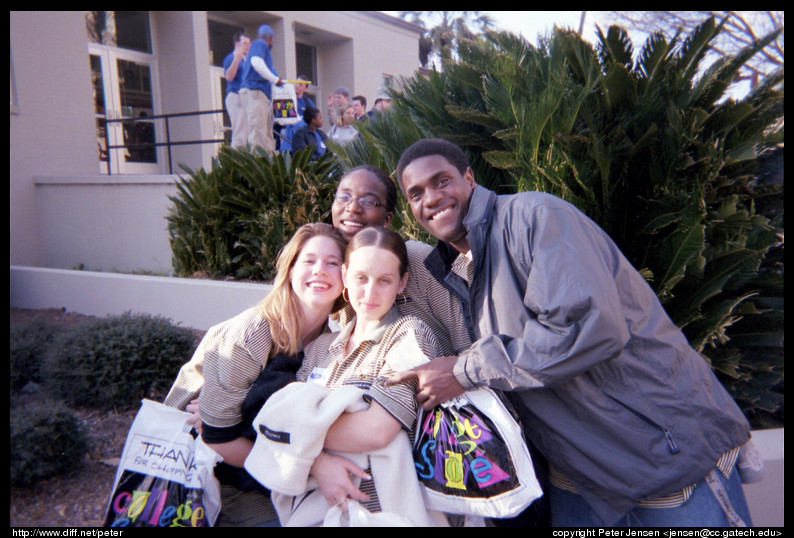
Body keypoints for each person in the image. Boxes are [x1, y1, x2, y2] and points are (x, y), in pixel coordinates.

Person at [388, 138, 754, 527]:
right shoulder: (458, 270)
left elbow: (587, 328)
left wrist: (465, 371)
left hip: (665, 456)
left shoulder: (534, 217)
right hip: (584, 480)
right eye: (416, 194)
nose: (431, 197)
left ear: (469, 178)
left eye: (441, 181)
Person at [244, 227, 449, 526]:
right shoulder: (321, 348)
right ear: (344, 275)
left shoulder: (409, 335)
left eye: (384, 281)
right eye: (361, 278)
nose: (369, 293)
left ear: (402, 283)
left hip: (381, 512)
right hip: (317, 511)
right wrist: (319, 462)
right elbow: (279, 416)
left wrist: (291, 434)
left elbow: (377, 431)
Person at [165, 223, 346, 527]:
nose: (320, 271)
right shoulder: (254, 332)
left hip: (270, 471)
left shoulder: (329, 340)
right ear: (289, 270)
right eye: (309, 261)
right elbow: (217, 439)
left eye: (333, 262)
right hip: (217, 476)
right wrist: (314, 466)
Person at [240, 24, 283, 155]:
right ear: (270, 38)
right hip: (256, 92)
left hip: (261, 95)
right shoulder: (260, 44)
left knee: (265, 132)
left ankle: (268, 163)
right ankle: (259, 165)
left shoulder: (265, 54)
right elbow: (256, 62)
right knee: (258, 131)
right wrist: (274, 79)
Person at [223, 32, 250, 148]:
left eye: (249, 43)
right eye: (245, 43)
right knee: (239, 130)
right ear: (237, 44)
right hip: (235, 96)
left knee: (246, 131)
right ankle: (236, 159)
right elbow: (228, 76)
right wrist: (236, 60)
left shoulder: (246, 60)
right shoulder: (231, 58)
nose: (247, 46)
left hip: (245, 97)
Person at [279, 75, 316, 153]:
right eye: (296, 83)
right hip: (288, 135)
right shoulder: (288, 98)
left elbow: (314, 117)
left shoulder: (307, 102)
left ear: (305, 89)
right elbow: (282, 117)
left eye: (300, 85)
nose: (297, 86)